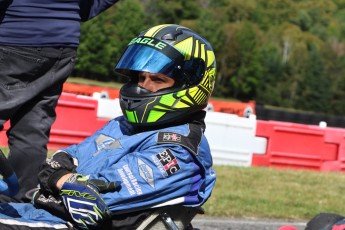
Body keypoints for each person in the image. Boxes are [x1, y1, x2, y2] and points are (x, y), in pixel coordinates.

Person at [0, 24, 217, 230]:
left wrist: (57, 178)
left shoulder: (179, 151)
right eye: (140, 77)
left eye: (157, 79)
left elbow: (92, 198)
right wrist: (61, 177)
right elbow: (67, 157)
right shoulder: (125, 126)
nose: (142, 87)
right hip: (42, 213)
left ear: (189, 86)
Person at [0, 0, 120, 202]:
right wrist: (68, 11)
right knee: (31, 132)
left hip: (16, 37)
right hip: (63, 47)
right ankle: (18, 206)